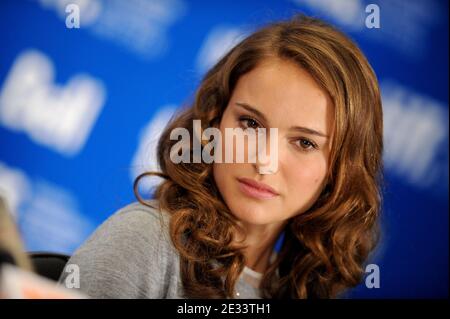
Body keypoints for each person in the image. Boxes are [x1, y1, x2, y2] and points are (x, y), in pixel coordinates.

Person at [59, 14, 383, 299]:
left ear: (340, 169)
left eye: (304, 143)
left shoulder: (299, 289)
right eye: (250, 123)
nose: (264, 161)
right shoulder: (145, 242)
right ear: (215, 121)